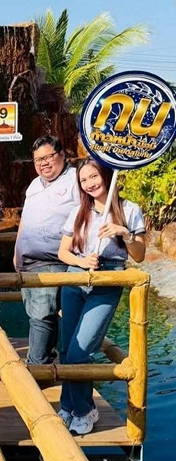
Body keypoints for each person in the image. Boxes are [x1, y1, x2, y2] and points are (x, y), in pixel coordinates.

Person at [57, 158, 145, 434]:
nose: (89, 183)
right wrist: (82, 262)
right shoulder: (78, 211)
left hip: (109, 279)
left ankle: (85, 410)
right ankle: (69, 406)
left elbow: (140, 256)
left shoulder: (130, 209)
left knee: (79, 351)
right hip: (75, 277)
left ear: (106, 175)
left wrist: (124, 233)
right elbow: (63, 252)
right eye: (84, 180)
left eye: (93, 176)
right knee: (66, 349)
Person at [13, 136, 80, 365]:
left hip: (51, 261)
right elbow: (25, 219)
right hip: (26, 262)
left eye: (48, 157)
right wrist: (16, 251)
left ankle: (36, 366)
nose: (43, 163)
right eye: (37, 160)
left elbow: (87, 213)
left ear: (61, 155)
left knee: (42, 314)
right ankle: (46, 360)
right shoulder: (35, 184)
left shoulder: (75, 179)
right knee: (36, 313)